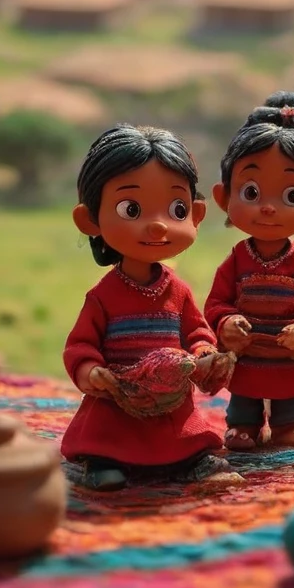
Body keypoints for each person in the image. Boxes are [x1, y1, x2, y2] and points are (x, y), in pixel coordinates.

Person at [62, 123, 229, 491]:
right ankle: (104, 462)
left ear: (196, 215)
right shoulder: (103, 296)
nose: (156, 225)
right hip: (119, 399)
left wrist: (204, 352)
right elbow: (80, 344)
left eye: (176, 208)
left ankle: (189, 459)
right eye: (131, 208)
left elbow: (197, 330)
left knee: (190, 438)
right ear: (90, 220)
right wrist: (92, 371)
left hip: (171, 400)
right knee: (105, 437)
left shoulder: (178, 290)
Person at [204, 92, 294, 451]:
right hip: (248, 357)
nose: (268, 208)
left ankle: (288, 424)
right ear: (224, 197)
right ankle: (242, 425)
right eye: (251, 192)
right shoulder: (236, 259)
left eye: (292, 196)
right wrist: (225, 323)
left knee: (288, 397)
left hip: (288, 359)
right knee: (245, 396)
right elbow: (216, 303)